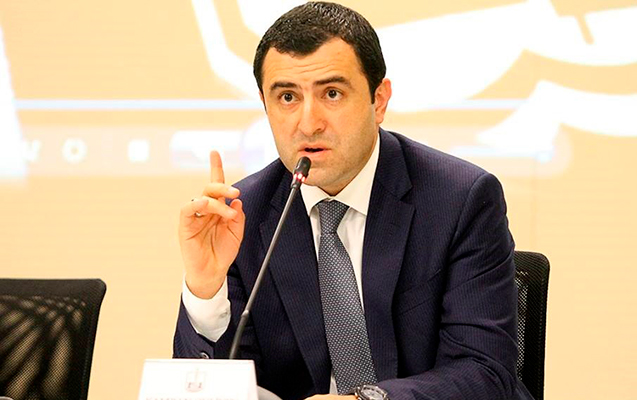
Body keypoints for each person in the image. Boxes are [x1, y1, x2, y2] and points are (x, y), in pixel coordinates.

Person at [173, 2, 533, 399]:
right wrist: (205, 292)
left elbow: (485, 373)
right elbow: (212, 389)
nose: (308, 123)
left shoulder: (459, 200)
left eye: (331, 93)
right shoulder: (242, 216)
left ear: (379, 100)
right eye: (288, 97)